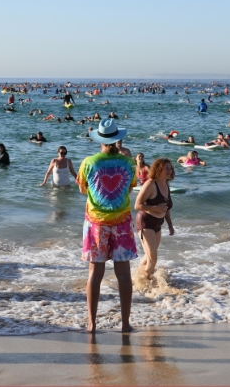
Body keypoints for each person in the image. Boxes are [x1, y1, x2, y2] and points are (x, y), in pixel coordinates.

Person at [77, 119, 137, 333]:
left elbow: (83, 190)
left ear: (100, 139)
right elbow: (129, 189)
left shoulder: (88, 162)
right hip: (121, 222)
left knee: (95, 273)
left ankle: (92, 324)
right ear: (117, 138)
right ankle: (125, 323)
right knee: (123, 274)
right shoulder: (129, 163)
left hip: (96, 223)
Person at [134, 158, 175, 280]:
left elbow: (166, 208)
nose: (169, 171)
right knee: (153, 257)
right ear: (158, 169)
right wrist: (156, 207)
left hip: (158, 224)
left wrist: (170, 225)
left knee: (148, 257)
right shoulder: (151, 183)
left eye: (170, 168)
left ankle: (138, 278)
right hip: (146, 222)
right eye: (166, 168)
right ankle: (147, 281)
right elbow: (137, 205)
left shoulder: (166, 184)